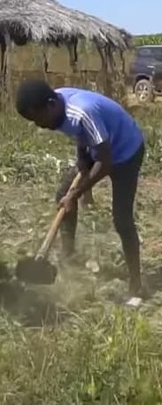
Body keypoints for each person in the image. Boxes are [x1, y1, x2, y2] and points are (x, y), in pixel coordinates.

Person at [15, 80, 146, 298]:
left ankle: (137, 284)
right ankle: (68, 256)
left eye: (38, 119)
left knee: (122, 220)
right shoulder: (57, 105)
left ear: (50, 105)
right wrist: (82, 161)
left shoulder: (82, 111)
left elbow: (105, 163)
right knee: (62, 195)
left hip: (126, 152)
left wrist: (76, 194)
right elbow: (80, 134)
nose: (39, 125)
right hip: (100, 148)